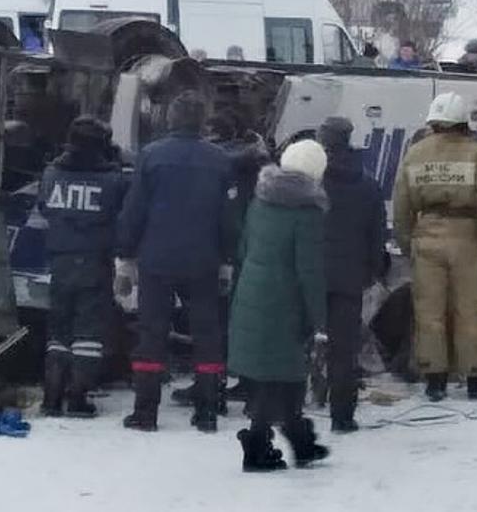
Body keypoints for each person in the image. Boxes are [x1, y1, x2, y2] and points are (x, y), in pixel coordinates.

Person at [118, 91, 237, 433]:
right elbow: (228, 218)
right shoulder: (220, 160)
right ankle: (207, 412)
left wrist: (125, 254)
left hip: (157, 259)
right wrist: (227, 259)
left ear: (171, 118)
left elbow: (134, 210)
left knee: (151, 333)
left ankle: (145, 412)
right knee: (207, 335)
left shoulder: (152, 156)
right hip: (204, 260)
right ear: (202, 122)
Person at [393, 92, 477, 402]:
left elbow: (402, 206)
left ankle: (434, 379)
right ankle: (474, 378)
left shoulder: (415, 153)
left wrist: (407, 243)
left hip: (426, 236)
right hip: (467, 237)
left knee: (429, 310)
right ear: (462, 122)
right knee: (471, 308)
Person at [228, 139, 330, 472]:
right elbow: (310, 271)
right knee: (280, 376)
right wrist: (320, 321)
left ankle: (299, 441)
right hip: (284, 303)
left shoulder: (261, 198)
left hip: (252, 293)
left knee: (278, 375)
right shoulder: (307, 213)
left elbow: (243, 249)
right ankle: (258, 445)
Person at [171, 109, 269, 411]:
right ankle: (250, 384)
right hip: (249, 250)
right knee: (245, 323)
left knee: (212, 325)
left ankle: (210, 385)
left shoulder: (211, 163)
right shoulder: (256, 163)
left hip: (216, 252)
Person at [37, 117, 128, 418]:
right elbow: (120, 210)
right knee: (88, 332)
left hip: (59, 260)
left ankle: (51, 397)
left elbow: (44, 207)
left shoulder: (51, 173)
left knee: (58, 330)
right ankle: (78, 397)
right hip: (94, 261)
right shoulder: (112, 180)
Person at [317, 117, 386, 433]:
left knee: (299, 339)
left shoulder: (309, 180)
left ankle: (290, 405)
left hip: (310, 274)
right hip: (349, 276)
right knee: (343, 349)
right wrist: (371, 271)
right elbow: (376, 235)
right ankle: (342, 415)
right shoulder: (367, 183)